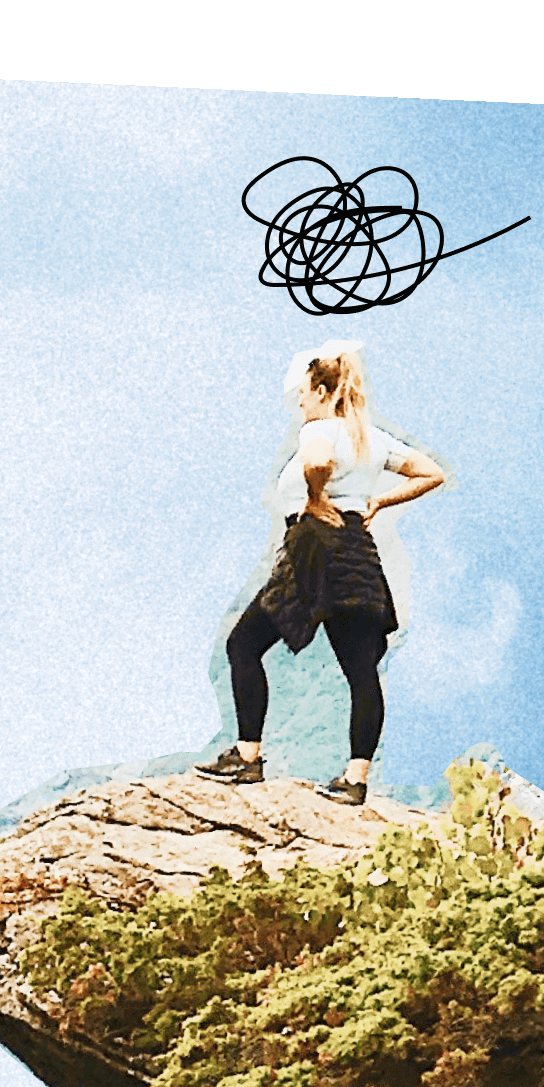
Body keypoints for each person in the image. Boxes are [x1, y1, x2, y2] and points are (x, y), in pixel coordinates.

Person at [196, 342, 446, 805]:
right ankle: (356, 779)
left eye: (304, 393)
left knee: (244, 644)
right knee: (359, 670)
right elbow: (431, 473)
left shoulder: (321, 429)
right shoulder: (371, 439)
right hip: (356, 550)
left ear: (323, 390)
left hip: (314, 545)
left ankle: (248, 757)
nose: (299, 402)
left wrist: (314, 498)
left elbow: (317, 462)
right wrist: (379, 501)